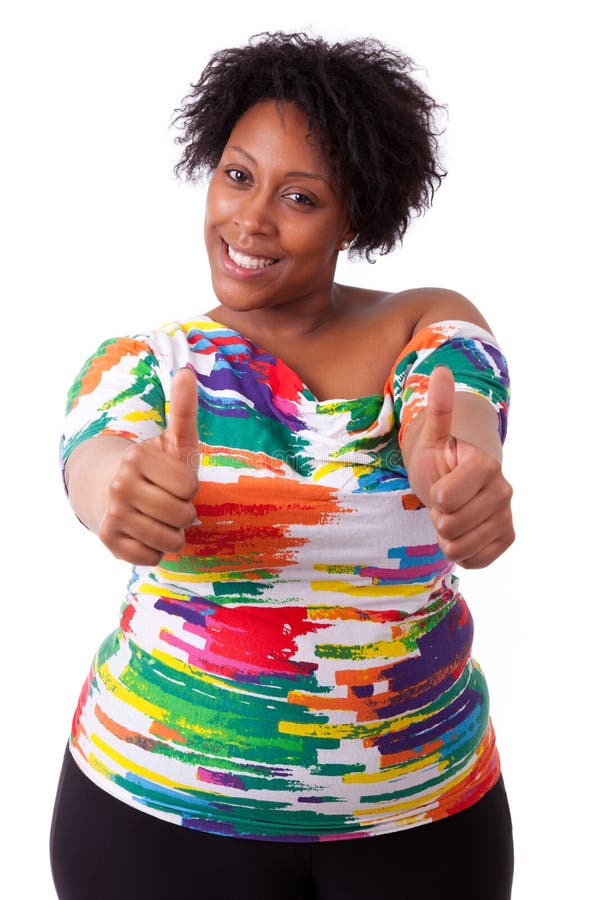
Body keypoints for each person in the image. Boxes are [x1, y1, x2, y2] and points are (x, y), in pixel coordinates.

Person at [49, 31, 514, 900]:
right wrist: (118, 492)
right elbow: (98, 459)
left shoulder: (424, 323)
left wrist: (459, 473)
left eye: (299, 197)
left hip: (419, 823)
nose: (250, 219)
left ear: (358, 216)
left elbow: (453, 418)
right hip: (156, 825)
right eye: (237, 175)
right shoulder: (146, 364)